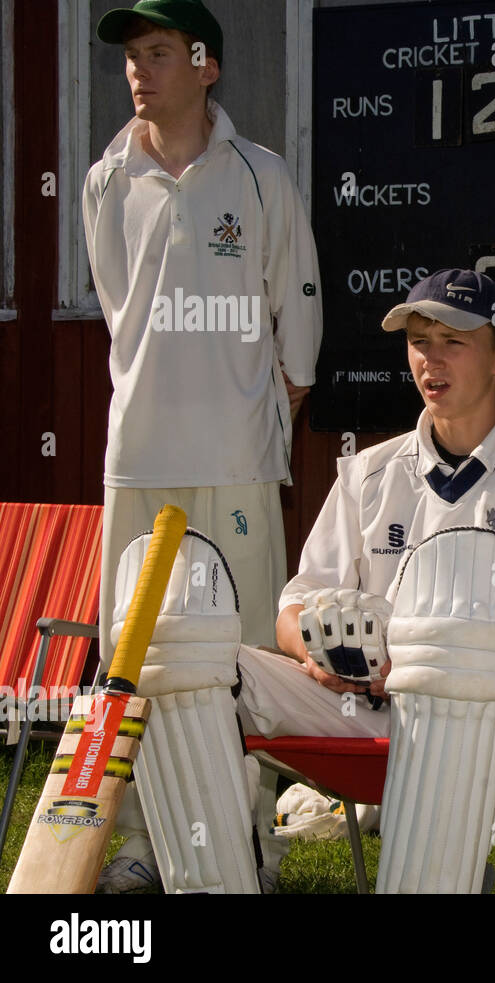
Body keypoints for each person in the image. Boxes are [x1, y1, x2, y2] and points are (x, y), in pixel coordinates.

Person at [120, 269, 495, 892]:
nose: (431, 360)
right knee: (190, 666)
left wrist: (449, 646)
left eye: (454, 341)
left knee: (451, 661)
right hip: (353, 699)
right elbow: (293, 608)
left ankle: (446, 865)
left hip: (484, 706)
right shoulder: (366, 474)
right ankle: (225, 875)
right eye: (418, 341)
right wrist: (319, 654)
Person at [86, 0, 322, 890]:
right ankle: (144, 845)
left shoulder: (262, 178)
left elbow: (297, 329)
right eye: (130, 57)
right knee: (132, 658)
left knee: (244, 659)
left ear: (205, 64)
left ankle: (246, 839)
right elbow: (124, 316)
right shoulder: (106, 181)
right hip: (137, 461)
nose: (139, 70)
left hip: (236, 466)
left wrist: (249, 405)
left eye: (157, 52)